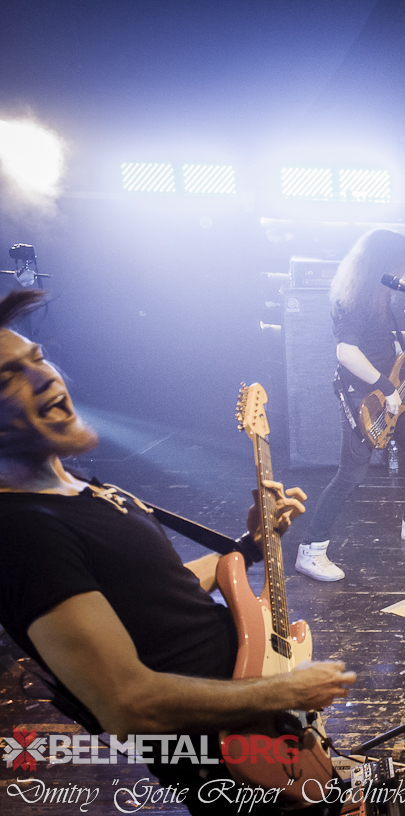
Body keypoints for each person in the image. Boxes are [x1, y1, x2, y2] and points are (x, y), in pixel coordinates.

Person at [0, 288, 356, 814]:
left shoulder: (74, 487)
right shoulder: (22, 531)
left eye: (38, 358)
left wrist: (249, 548)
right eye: (8, 377)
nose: (43, 376)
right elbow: (128, 704)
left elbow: (157, 592)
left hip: (258, 711)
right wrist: (285, 693)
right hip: (224, 756)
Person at [297, 229, 405, 582]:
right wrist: (385, 387)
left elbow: (383, 347)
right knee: (350, 475)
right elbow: (346, 352)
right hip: (363, 396)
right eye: (401, 266)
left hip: (392, 389)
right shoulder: (351, 299)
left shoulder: (382, 298)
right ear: (383, 263)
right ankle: (311, 550)